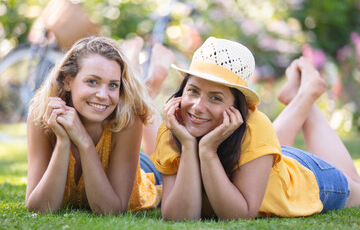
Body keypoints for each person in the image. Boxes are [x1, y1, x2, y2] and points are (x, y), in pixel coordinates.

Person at [150, 37, 360, 220]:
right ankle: (303, 96)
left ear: (236, 106)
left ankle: (307, 95)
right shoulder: (174, 127)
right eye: (193, 91)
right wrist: (187, 146)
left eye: (216, 97)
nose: (197, 107)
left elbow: (239, 215)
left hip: (308, 179)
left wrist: (207, 151)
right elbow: (180, 217)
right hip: (260, 160)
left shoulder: (255, 125)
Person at [25, 36, 163, 215]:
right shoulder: (42, 114)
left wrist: (84, 142)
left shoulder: (127, 120)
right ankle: (139, 69)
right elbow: (39, 208)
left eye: (113, 85)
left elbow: (111, 210)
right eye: (92, 81)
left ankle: (150, 80)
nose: (103, 95)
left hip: (142, 168)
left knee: (161, 154)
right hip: (121, 157)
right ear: (68, 81)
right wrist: (63, 142)